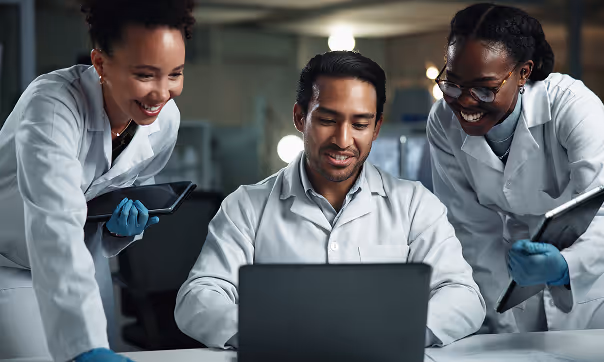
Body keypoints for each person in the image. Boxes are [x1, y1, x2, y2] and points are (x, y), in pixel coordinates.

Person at [174, 51, 486, 349]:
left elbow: (464, 297)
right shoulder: (245, 207)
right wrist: (273, 335)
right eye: (327, 120)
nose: (343, 140)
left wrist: (395, 331)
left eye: (360, 124)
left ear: (376, 127)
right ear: (300, 117)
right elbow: (197, 298)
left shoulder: (415, 204)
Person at [0, 0, 195, 360]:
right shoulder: (53, 106)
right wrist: (85, 347)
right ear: (101, 63)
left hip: (84, 263)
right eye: (145, 75)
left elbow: (121, 188)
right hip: (9, 264)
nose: (161, 93)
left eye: (175, 74)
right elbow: (53, 220)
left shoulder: (165, 120)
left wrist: (117, 230)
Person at [428, 3, 604, 335]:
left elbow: (603, 213)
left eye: (484, 88)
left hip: (592, 292)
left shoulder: (573, 108)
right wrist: (501, 320)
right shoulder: (442, 122)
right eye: (452, 83)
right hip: (510, 289)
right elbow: (472, 231)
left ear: (524, 72)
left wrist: (567, 266)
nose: (464, 102)